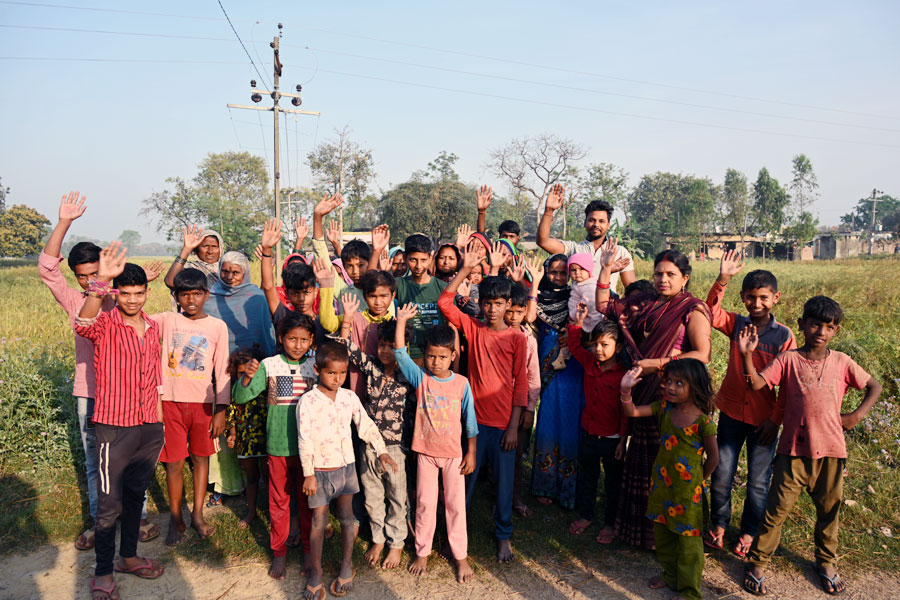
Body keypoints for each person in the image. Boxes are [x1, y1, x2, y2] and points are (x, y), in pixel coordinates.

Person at [39, 191, 161, 551]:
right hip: (90, 394)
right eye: (82, 276)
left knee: (132, 461)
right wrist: (64, 221)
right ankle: (100, 523)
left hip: (130, 397)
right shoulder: (81, 301)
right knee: (97, 463)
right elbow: (47, 268)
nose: (91, 281)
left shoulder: (123, 299)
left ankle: (134, 519)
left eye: (96, 274)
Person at [738, 296, 882, 596]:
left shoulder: (841, 361)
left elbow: (874, 386)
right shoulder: (788, 359)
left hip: (831, 451)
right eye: (815, 324)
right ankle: (758, 563)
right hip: (792, 453)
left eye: (829, 326)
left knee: (829, 511)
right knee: (775, 512)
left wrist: (856, 415)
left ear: (836, 330)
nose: (821, 331)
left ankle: (826, 562)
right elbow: (756, 385)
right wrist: (747, 356)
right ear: (803, 324)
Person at [596, 245, 712, 549]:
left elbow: (702, 354)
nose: (663, 279)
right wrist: (607, 270)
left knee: (673, 465)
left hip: (672, 395)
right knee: (645, 464)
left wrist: (657, 365)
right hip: (643, 390)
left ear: (685, 278)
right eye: (658, 273)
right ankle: (643, 535)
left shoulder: (692, 309)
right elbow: (604, 305)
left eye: (671, 274)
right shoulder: (644, 303)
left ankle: (678, 536)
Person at [74, 245, 166, 600]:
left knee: (134, 496)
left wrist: (158, 425)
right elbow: (83, 324)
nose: (131, 300)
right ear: (117, 293)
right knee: (109, 504)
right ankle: (102, 572)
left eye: (138, 293)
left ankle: (128, 557)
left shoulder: (154, 327)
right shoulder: (105, 324)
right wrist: (100, 281)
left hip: (148, 427)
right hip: (114, 426)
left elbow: (155, 377)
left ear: (146, 292)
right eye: (125, 294)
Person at [439, 247, 528, 563]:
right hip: (472, 426)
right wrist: (465, 269)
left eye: (498, 304)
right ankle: (454, 536)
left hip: (504, 426)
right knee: (462, 484)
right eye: (487, 303)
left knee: (504, 487)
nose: (492, 309)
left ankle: (503, 536)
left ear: (508, 305)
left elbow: (521, 386)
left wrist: (514, 426)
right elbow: (444, 302)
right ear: (481, 302)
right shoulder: (473, 329)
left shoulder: (517, 338)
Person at [704, 250, 796, 557]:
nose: (756, 304)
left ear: (775, 298)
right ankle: (718, 525)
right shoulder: (736, 324)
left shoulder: (784, 337)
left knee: (758, 482)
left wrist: (775, 420)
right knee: (721, 474)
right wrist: (722, 279)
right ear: (743, 296)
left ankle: (748, 533)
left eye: (763, 298)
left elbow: (788, 385)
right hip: (730, 413)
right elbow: (710, 312)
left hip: (763, 422)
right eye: (750, 297)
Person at [297, 341, 398, 599]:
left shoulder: (349, 397)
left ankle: (346, 565)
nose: (337, 378)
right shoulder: (307, 401)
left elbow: (364, 424)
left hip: (345, 468)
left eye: (342, 373)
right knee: (318, 523)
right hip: (318, 471)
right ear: (317, 369)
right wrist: (308, 473)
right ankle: (317, 572)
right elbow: (304, 438)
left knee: (345, 519)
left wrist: (381, 449)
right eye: (331, 373)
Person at [619, 359, 718, 600]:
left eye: (679, 383)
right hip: (662, 487)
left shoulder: (703, 423)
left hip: (688, 493)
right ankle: (671, 576)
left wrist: (698, 482)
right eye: (669, 382)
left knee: (688, 545)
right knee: (662, 534)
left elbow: (714, 458)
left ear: (695, 387)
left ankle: (690, 592)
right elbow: (632, 411)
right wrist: (625, 389)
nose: (671, 387)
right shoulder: (663, 408)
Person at [394, 306, 478, 582]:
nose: (436, 361)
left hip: (454, 456)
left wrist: (471, 453)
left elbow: (470, 423)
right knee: (425, 504)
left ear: (453, 356)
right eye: (431, 356)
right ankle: (422, 552)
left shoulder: (462, 384)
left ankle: (461, 557)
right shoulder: (421, 379)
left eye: (442, 356)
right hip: (426, 455)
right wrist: (402, 322)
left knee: (455, 506)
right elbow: (400, 355)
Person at [233, 312, 317, 580]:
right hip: (278, 447)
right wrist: (246, 377)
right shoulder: (269, 365)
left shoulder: (316, 365)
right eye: (292, 339)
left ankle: (307, 552)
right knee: (278, 501)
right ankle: (278, 553)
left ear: (312, 340)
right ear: (281, 339)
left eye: (304, 339)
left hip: (308, 451)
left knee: (306, 503)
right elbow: (241, 395)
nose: (297, 345)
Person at [334, 294, 414, 571]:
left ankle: (397, 543)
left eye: (391, 346)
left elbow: (404, 354)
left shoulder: (409, 375)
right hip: (368, 445)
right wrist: (346, 318)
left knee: (396, 495)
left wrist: (400, 331)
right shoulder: (371, 366)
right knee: (372, 495)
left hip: (394, 449)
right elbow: (345, 346)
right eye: (381, 344)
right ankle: (378, 538)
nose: (385, 350)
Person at [153, 269, 230, 547]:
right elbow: (135, 318)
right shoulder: (168, 320)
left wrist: (221, 408)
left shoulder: (217, 327)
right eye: (184, 294)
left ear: (206, 295)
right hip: (170, 402)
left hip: (203, 405)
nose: (191, 300)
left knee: (200, 459)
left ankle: (197, 514)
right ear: (176, 297)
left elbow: (222, 369)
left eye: (197, 293)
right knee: (173, 463)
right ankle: (176, 519)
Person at [205, 250, 276, 503]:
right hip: (221, 369)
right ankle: (228, 485)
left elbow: (267, 331)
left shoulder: (256, 296)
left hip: (253, 370)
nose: (230, 276)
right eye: (225, 271)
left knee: (252, 427)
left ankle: (261, 488)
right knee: (225, 428)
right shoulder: (210, 296)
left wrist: (267, 368)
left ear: (245, 272)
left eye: (236, 272)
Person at [567, 305, 628, 544]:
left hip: (612, 439)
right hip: (589, 433)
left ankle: (611, 524)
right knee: (588, 476)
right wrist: (577, 323)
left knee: (613, 484)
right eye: (595, 344)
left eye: (605, 345)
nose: (598, 350)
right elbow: (574, 346)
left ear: (618, 348)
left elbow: (625, 412)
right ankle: (586, 515)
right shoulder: (588, 362)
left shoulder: (624, 374)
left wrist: (623, 439)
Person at [531, 253, 583, 509]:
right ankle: (545, 484)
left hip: (574, 367)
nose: (560, 277)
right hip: (548, 366)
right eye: (554, 272)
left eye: (564, 272)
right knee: (548, 420)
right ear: (546, 272)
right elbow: (530, 318)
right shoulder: (538, 298)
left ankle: (569, 489)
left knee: (572, 422)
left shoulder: (578, 297)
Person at [537, 183, 635, 291]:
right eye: (592, 220)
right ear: (585, 223)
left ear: (608, 225)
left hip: (606, 306)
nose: (596, 225)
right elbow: (543, 241)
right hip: (578, 306)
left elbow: (632, 289)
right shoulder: (574, 249)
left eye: (601, 221)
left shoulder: (619, 252)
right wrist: (549, 211)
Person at [317, 267, 396, 398]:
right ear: (365, 296)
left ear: (393, 295)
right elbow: (342, 347)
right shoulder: (355, 318)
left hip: (388, 392)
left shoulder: (396, 323)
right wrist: (327, 287)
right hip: (358, 384)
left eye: (383, 296)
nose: (378, 302)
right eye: (372, 296)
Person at [504, 283, 542, 519]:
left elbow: (533, 376)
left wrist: (529, 409)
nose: (514, 317)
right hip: (496, 405)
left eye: (520, 312)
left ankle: (514, 498)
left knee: (516, 456)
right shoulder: (494, 334)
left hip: (520, 406)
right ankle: (498, 496)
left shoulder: (529, 340)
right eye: (511, 311)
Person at [311, 192, 390, 304]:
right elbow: (321, 254)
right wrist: (317, 218)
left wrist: (376, 252)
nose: (355, 271)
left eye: (360, 265)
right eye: (349, 266)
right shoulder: (344, 293)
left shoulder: (382, 294)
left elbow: (371, 279)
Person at [225, 348, 267, 530]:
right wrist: (232, 434)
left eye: (249, 371)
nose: (246, 376)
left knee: (268, 476)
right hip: (245, 441)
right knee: (251, 477)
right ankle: (251, 511)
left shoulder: (263, 389)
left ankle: (272, 512)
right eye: (241, 372)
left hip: (265, 439)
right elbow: (231, 414)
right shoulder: (235, 392)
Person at [395, 234, 448, 365]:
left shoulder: (442, 288)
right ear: (406, 259)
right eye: (413, 260)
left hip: (437, 357)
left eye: (423, 260)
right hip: (409, 356)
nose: (418, 265)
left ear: (430, 258)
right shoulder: (399, 285)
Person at [163, 224, 224, 290]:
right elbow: (170, 282)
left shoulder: (228, 269)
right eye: (205, 246)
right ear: (197, 249)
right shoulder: (191, 269)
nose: (210, 251)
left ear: (220, 249)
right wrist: (186, 249)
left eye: (214, 246)